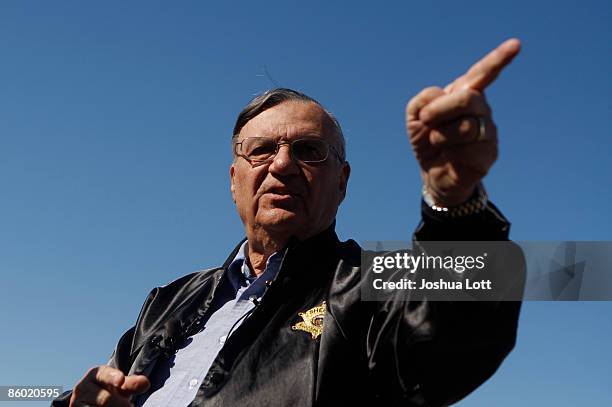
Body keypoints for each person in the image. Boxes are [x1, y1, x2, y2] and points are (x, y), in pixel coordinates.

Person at [55, 38, 523, 407]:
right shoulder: (167, 301)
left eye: (309, 151)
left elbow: (456, 337)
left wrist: (455, 202)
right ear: (234, 179)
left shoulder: (367, 285)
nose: (282, 165)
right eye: (261, 150)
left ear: (341, 183)